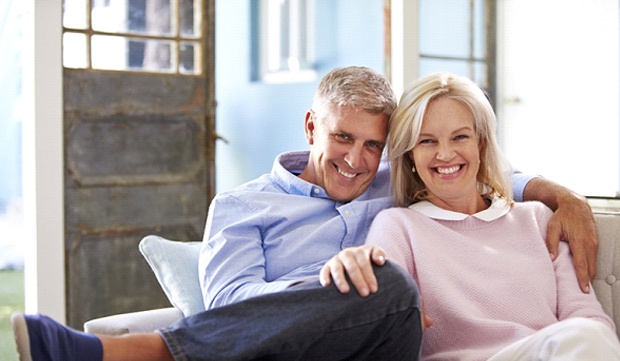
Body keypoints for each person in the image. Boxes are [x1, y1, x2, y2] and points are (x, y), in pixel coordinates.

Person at [11, 66, 599, 361]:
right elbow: (233, 307)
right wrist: (330, 281)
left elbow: (476, 173)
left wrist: (561, 195)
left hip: (380, 348)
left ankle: (147, 354)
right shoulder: (242, 208)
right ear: (312, 125)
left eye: (374, 145)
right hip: (291, 351)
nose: (356, 160)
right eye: (344, 138)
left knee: (388, 286)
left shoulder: (401, 180)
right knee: (383, 283)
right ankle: (153, 352)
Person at [363, 72, 620, 360]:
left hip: (551, 353)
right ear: (410, 153)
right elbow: (383, 322)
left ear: (481, 143)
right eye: (427, 141)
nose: (445, 154)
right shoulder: (398, 227)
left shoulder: (537, 220)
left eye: (460, 137)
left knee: (590, 334)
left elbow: (587, 316)